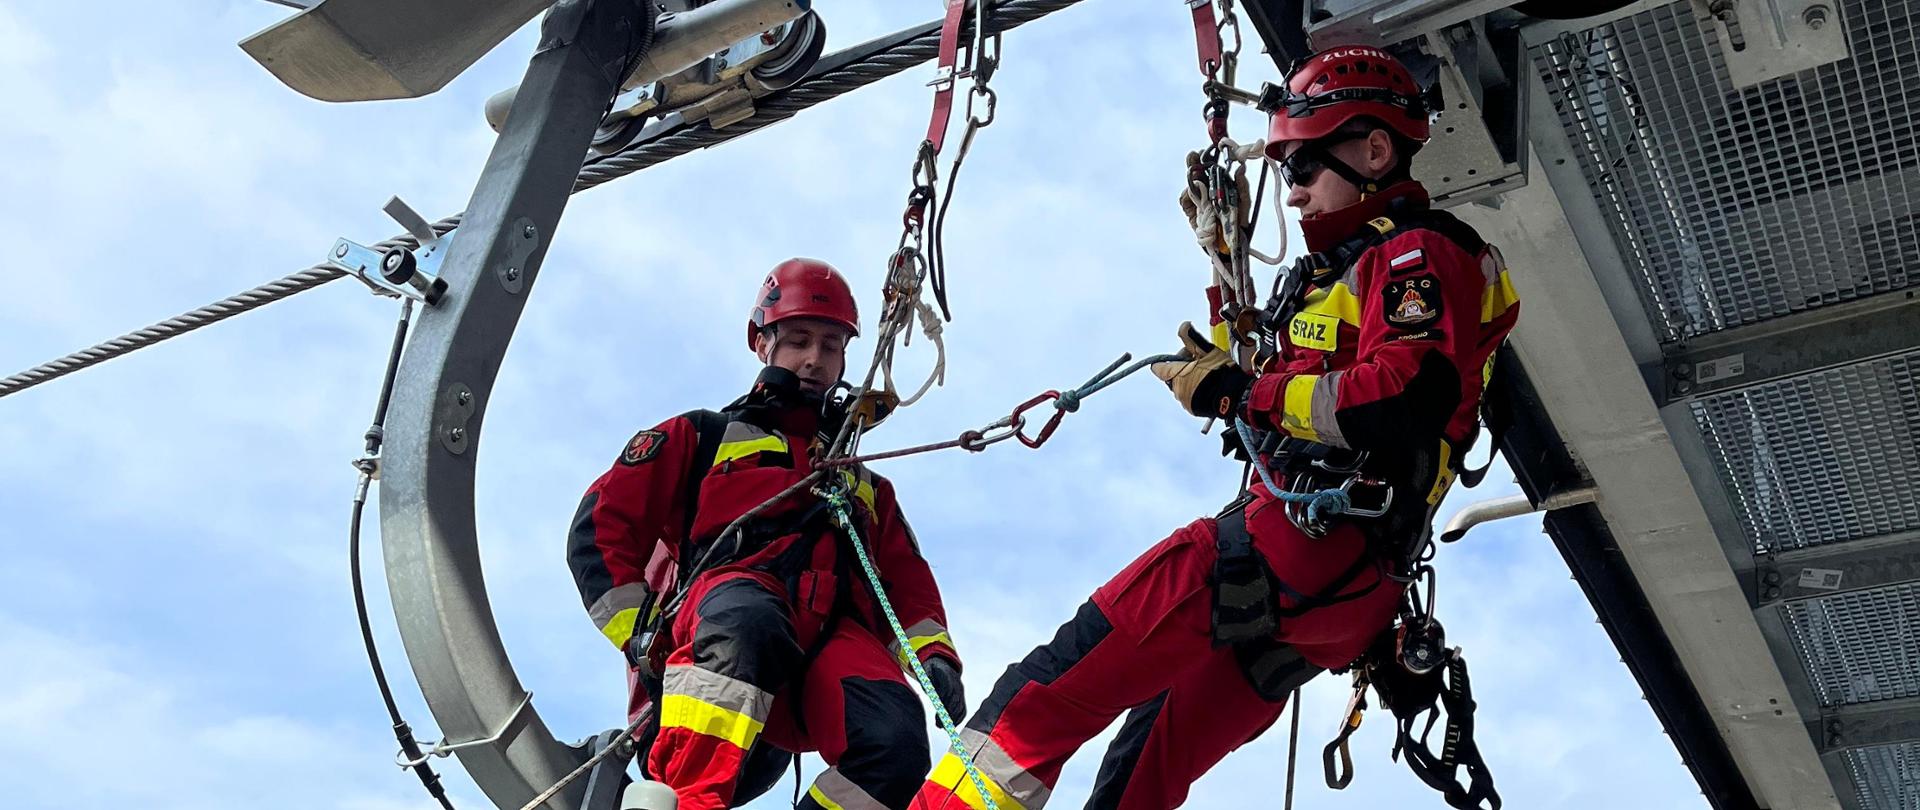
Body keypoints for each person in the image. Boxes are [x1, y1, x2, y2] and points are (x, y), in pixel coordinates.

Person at [909, 45, 1519, 810]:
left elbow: (1403, 398)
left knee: (1042, 698)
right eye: (1286, 169)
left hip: (1295, 544)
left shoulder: (1414, 255)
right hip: (1342, 593)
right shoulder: (1339, 276)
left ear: (1374, 151)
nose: (1292, 191)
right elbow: (1301, 390)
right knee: (1145, 766)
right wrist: (1229, 320)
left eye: (1304, 165)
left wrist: (1241, 394)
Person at [569, 258, 967, 810]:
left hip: (823, 648)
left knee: (895, 738)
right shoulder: (702, 436)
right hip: (723, 634)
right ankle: (687, 801)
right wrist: (639, 632)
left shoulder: (865, 487)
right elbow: (600, 528)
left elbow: (907, 583)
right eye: (799, 340)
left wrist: (934, 654)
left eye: (830, 346)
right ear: (762, 343)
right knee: (747, 618)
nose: (814, 359)